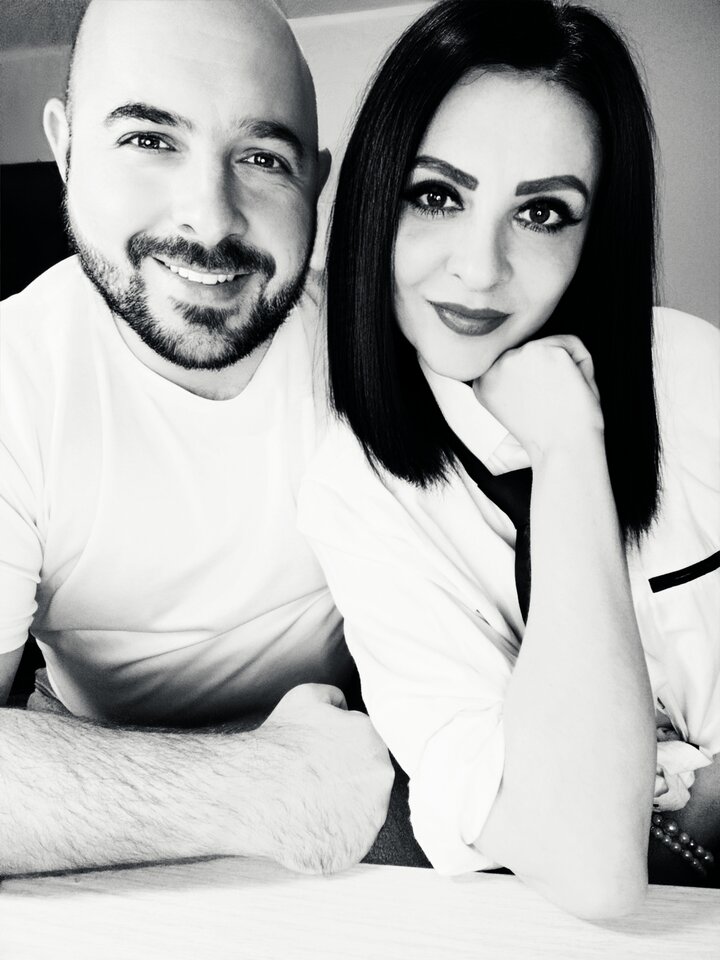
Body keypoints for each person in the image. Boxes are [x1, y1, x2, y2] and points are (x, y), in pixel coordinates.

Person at [298, 0, 720, 917]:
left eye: (541, 211)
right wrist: (568, 447)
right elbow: (590, 862)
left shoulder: (695, 374)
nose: (480, 268)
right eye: (436, 196)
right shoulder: (358, 493)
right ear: (374, 197)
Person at [0, 0, 396, 877]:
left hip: (356, 741)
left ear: (316, 182)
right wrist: (262, 785)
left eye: (263, 158)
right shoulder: (13, 380)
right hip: (89, 764)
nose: (210, 221)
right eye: (148, 140)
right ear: (66, 149)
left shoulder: (375, 344)